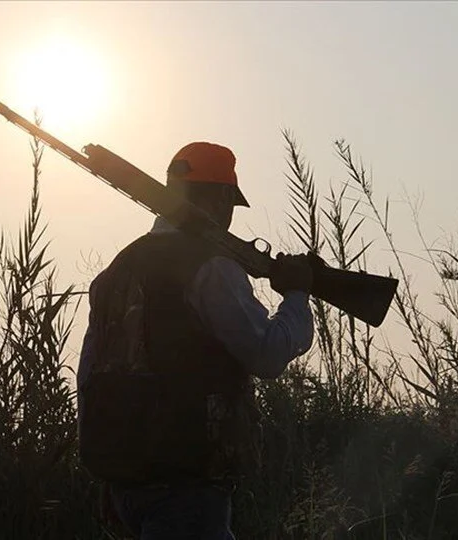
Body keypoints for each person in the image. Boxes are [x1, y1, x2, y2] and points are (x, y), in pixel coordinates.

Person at [77, 141, 315, 539]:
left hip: (127, 485)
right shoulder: (211, 267)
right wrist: (296, 294)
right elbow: (268, 354)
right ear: (221, 199)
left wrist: (110, 474)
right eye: (228, 204)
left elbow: (91, 378)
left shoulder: (115, 272)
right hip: (186, 483)